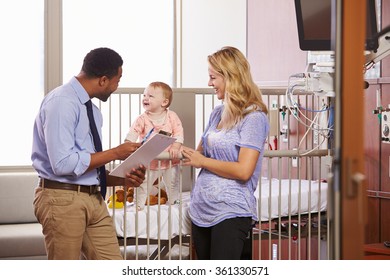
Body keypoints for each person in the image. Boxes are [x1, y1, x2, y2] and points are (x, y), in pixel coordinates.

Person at [31, 47, 146, 260]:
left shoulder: (91, 110)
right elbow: (63, 164)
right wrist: (116, 152)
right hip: (62, 199)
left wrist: (123, 179)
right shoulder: (62, 102)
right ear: (103, 80)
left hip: (93, 198)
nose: (116, 86)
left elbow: (86, 167)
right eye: (117, 80)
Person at [181, 46, 269, 260]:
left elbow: (243, 171)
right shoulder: (217, 113)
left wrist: (202, 160)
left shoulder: (254, 118)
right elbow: (199, 154)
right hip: (202, 210)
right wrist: (172, 146)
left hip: (230, 211)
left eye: (213, 77)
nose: (209, 83)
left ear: (231, 77)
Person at [124, 81, 184, 209]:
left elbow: (179, 133)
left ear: (164, 102)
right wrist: (129, 144)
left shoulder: (172, 116)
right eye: (144, 95)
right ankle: (138, 205)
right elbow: (132, 134)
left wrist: (176, 147)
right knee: (143, 183)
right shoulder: (142, 119)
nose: (145, 98)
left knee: (172, 182)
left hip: (169, 160)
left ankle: (174, 202)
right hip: (149, 161)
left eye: (150, 96)